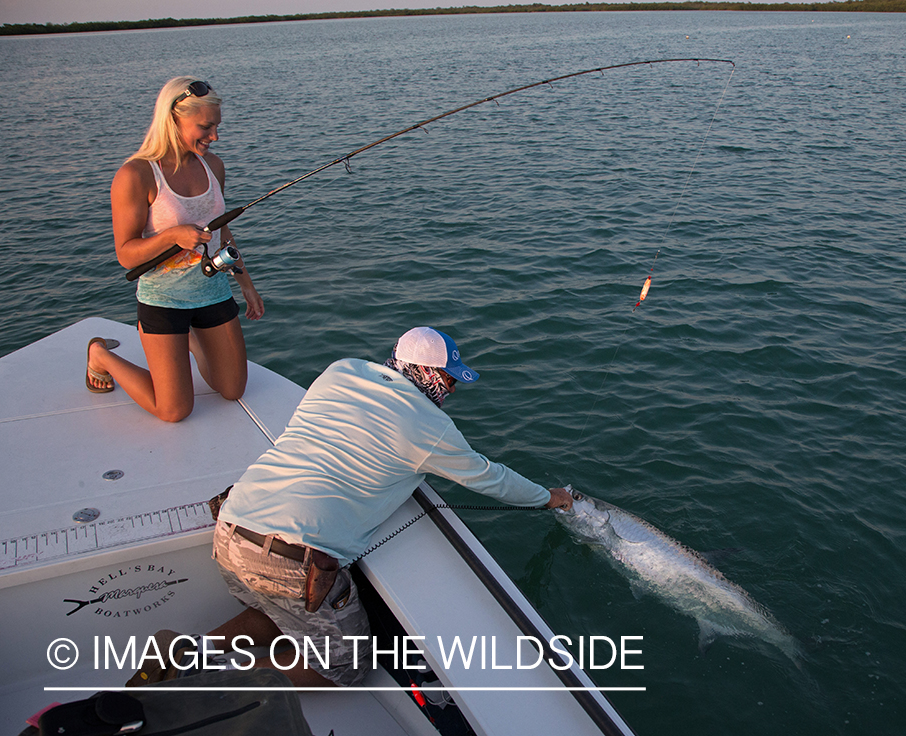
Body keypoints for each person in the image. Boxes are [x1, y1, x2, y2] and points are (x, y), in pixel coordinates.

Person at [143, 327, 573, 688]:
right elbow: (491, 478)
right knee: (345, 668)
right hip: (295, 562)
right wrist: (548, 497)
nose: (454, 388)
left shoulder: (341, 371)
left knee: (281, 611)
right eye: (448, 378)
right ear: (424, 373)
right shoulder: (433, 428)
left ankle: (190, 649)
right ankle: (205, 672)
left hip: (231, 529)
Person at [87, 77, 264, 422]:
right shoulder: (136, 175)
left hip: (212, 292)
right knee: (174, 411)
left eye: (217, 127)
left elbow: (222, 230)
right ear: (173, 119)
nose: (214, 137)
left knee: (232, 390)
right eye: (205, 127)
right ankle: (100, 355)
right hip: (163, 302)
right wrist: (172, 236)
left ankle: (191, 339)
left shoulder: (213, 166)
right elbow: (126, 254)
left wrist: (246, 283)